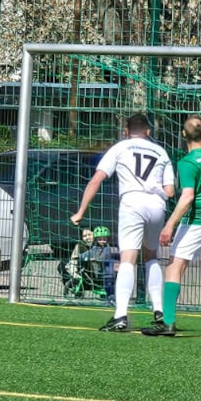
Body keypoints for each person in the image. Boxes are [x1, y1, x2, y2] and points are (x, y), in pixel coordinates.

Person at [71, 112, 174, 332]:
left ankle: (120, 315)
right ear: (148, 131)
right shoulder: (161, 152)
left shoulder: (120, 148)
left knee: (128, 258)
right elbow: (170, 191)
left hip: (132, 202)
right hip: (157, 204)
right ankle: (159, 311)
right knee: (151, 256)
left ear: (126, 132)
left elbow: (97, 179)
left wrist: (80, 211)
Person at [141, 116, 201, 340]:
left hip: (199, 220)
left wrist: (169, 225)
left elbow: (187, 198)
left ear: (183, 135)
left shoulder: (188, 162)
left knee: (174, 267)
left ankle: (168, 323)